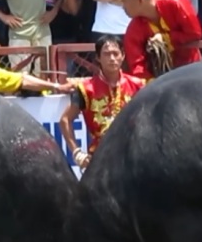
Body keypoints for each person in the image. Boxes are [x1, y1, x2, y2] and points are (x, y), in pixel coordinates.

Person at [57, 35, 146, 170]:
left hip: (133, 154)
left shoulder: (138, 85)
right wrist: (77, 153)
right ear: (98, 58)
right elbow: (65, 120)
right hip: (100, 158)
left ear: (123, 56)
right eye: (106, 54)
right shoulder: (86, 88)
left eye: (116, 54)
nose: (112, 59)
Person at [118, 0, 202, 79]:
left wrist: (165, 39)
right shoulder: (134, 28)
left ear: (140, 0)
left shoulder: (175, 3)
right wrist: (151, 84)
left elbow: (195, 33)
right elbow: (137, 65)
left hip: (191, 67)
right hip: (159, 78)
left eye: (124, 2)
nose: (123, 7)